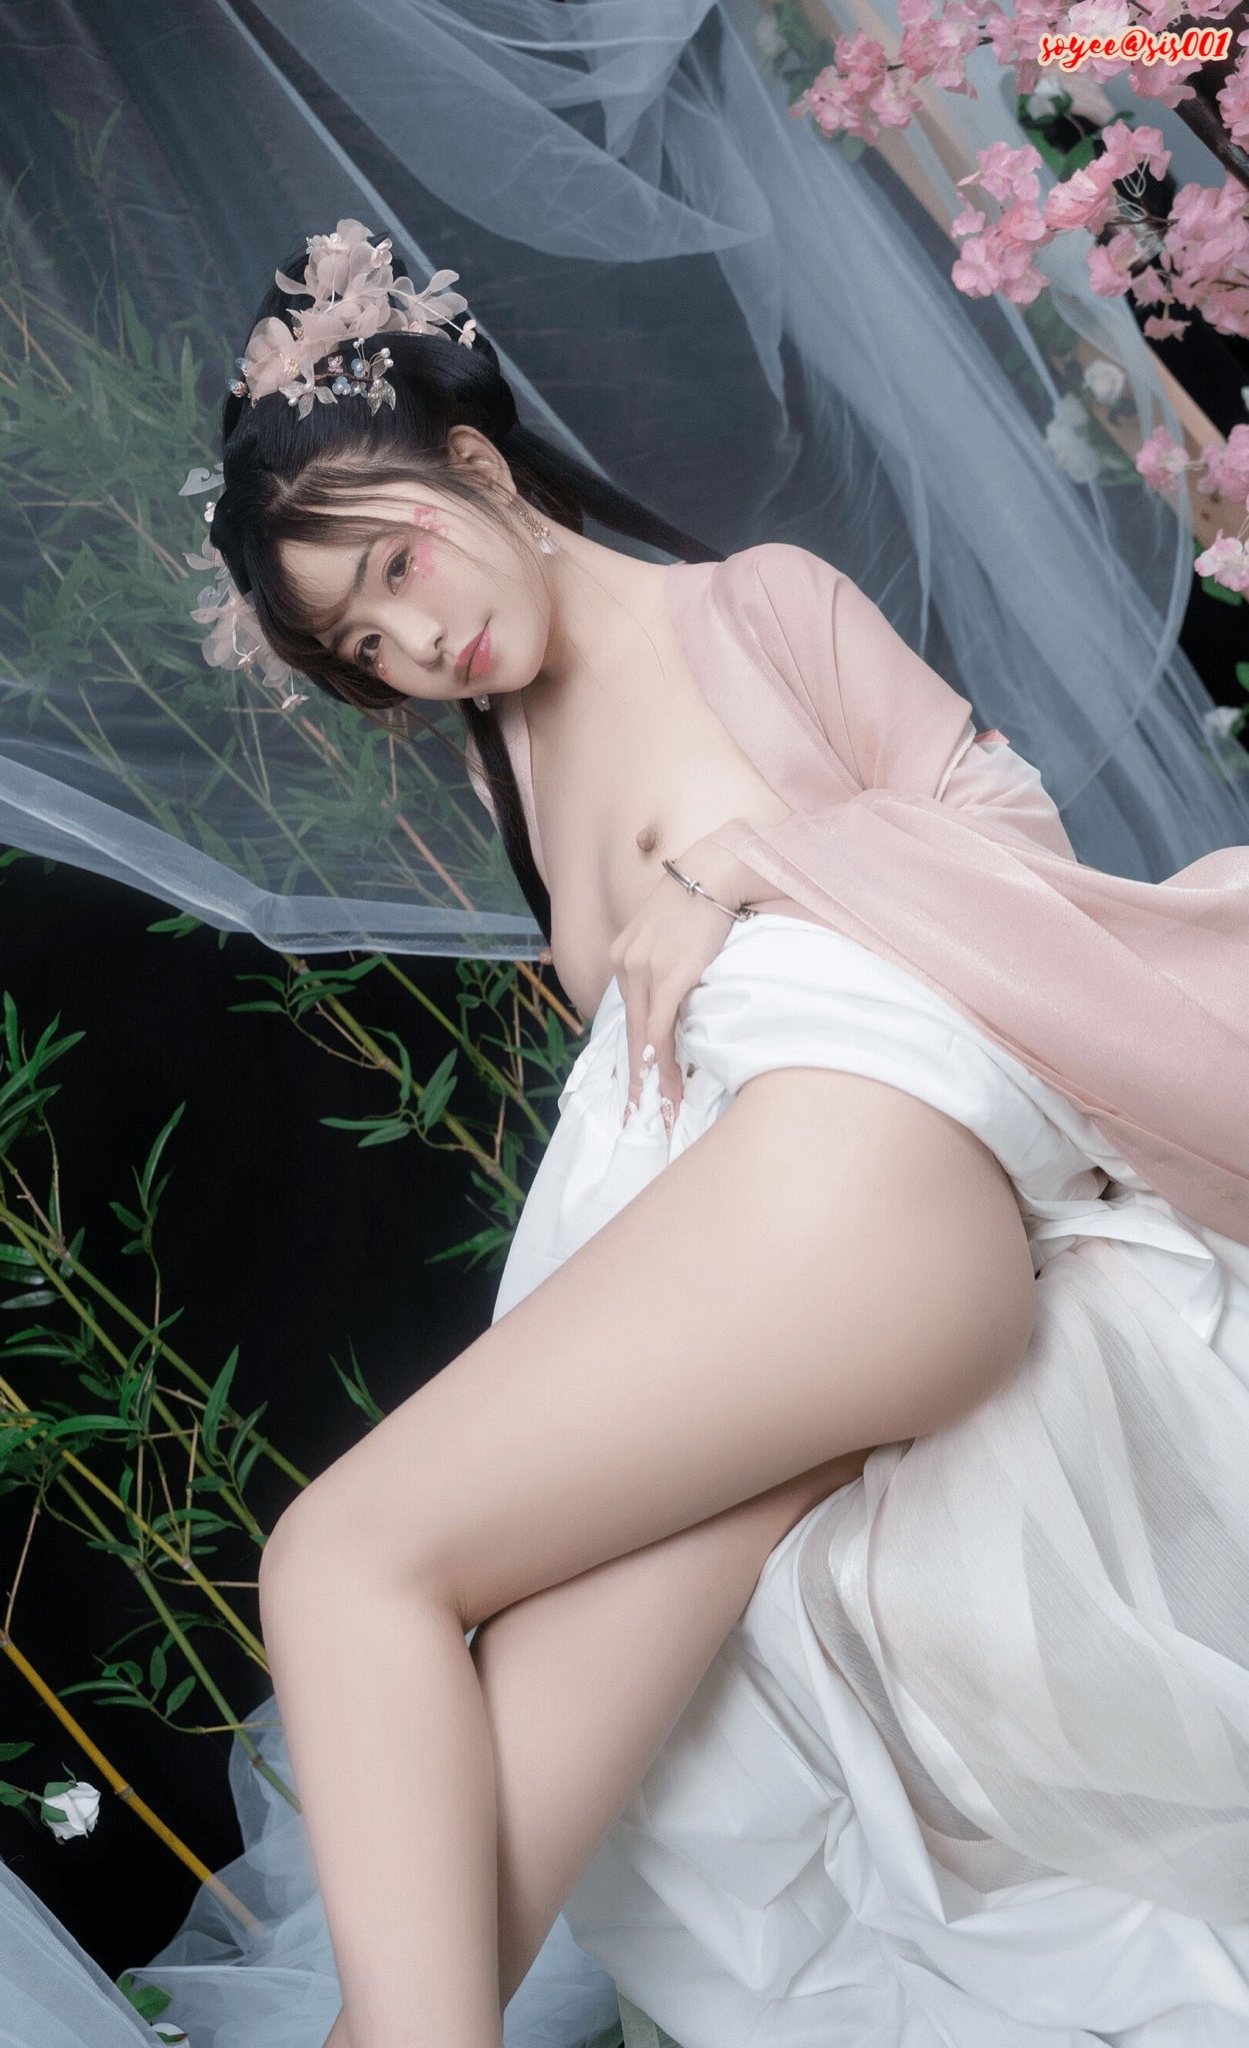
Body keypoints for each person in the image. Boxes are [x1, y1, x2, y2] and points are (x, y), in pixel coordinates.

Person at [185, 229, 1249, 2048]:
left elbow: (1007, 839)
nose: (416, 641)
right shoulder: (511, 762)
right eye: (362, 642)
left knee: (337, 1560)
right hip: (774, 1303)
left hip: (865, 1190)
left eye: (396, 565)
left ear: (476, 466)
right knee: (471, 1887)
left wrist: (736, 866)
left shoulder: (752, 608)